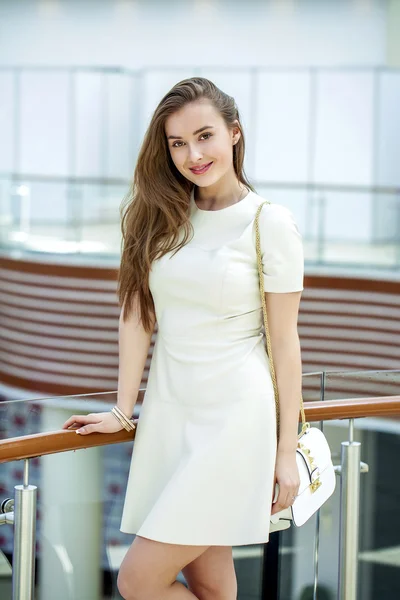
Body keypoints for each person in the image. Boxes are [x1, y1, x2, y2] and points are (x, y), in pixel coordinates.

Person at [62, 77, 304, 600]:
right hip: (171, 417)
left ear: (234, 134)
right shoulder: (160, 215)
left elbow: (285, 347)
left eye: (204, 136)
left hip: (235, 422)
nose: (192, 154)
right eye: (177, 143)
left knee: (137, 580)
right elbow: (137, 317)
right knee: (212, 586)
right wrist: (125, 409)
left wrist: (286, 452)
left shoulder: (269, 223)